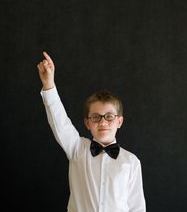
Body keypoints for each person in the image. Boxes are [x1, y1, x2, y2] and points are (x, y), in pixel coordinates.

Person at [37, 51, 146, 212]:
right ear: (87, 123)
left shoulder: (131, 162)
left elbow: (137, 208)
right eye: (96, 117)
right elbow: (60, 123)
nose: (103, 122)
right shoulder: (77, 149)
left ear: (119, 121)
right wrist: (49, 85)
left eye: (109, 116)